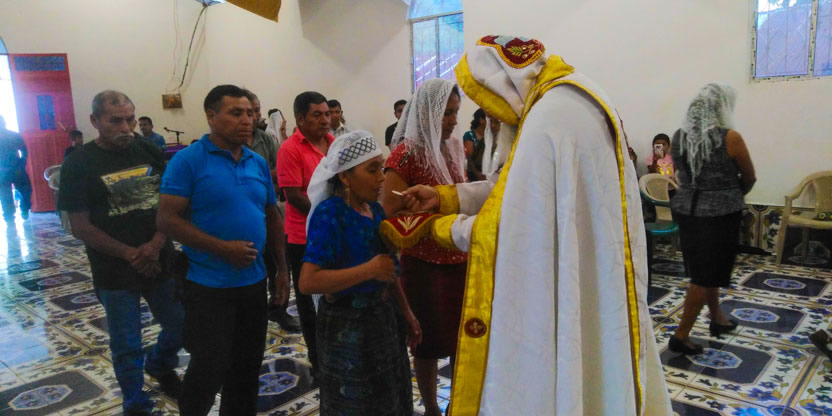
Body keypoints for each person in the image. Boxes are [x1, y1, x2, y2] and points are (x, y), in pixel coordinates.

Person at [397, 35, 672, 415]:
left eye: (489, 106)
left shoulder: (547, 119)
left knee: (555, 368)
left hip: (560, 267)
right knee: (594, 356)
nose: (493, 119)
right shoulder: (572, 97)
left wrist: (438, 228)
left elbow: (508, 228)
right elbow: (512, 187)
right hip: (593, 259)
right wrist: (446, 198)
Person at [157, 84, 289, 416]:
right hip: (208, 287)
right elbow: (167, 220)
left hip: (253, 284)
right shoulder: (188, 161)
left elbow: (272, 215)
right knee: (208, 368)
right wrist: (222, 249)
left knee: (246, 369)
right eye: (236, 113)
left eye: (250, 113)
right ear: (211, 116)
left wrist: (282, 270)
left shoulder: (257, 162)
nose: (247, 120)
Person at [58, 91, 183, 416]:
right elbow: (80, 225)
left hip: (160, 259)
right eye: (116, 121)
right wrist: (130, 254)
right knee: (127, 343)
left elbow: (170, 203)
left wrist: (155, 245)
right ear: (95, 121)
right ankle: (135, 404)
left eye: (130, 119)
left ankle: (159, 364)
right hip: (113, 269)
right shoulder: (78, 163)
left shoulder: (148, 150)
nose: (126, 128)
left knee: (181, 326)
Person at [299, 130, 420, 415]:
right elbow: (308, 281)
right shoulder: (331, 214)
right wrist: (368, 270)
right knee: (355, 404)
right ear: (345, 176)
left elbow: (387, 270)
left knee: (389, 398)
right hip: (347, 330)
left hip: (382, 322)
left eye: (382, 168)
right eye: (372, 170)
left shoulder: (374, 211)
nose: (382, 178)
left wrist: (406, 313)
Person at [381, 78, 467, 416]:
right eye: (446, 114)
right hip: (424, 262)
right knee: (427, 341)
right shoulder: (406, 154)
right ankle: (431, 407)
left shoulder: (455, 146)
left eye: (455, 112)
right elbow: (389, 211)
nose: (453, 121)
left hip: (459, 256)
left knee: (463, 336)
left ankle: (460, 402)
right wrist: (429, 216)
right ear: (427, 113)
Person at [667, 83, 756, 355]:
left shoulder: (679, 136)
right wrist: (732, 194)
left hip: (687, 210)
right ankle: (681, 335)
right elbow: (749, 176)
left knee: (706, 270)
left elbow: (682, 173)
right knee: (705, 275)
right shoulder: (730, 137)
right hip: (719, 215)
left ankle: (717, 318)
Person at [277, 91, 335, 374]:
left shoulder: (334, 144)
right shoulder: (290, 149)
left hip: (335, 233)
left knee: (334, 296)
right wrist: (327, 217)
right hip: (304, 237)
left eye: (327, 114)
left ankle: (336, 355)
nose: (325, 120)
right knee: (309, 303)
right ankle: (318, 362)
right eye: (317, 115)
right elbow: (293, 196)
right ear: (300, 118)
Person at [242, 89, 301, 332]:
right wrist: (266, 175)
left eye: (256, 111)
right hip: (243, 217)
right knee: (254, 267)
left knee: (279, 262)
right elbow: (269, 174)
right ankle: (253, 314)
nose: (254, 116)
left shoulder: (265, 140)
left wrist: (262, 176)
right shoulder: (231, 144)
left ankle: (279, 310)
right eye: (248, 111)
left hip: (269, 211)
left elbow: (280, 173)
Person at [0, 115, 31, 222]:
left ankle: (24, 208)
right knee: (5, 194)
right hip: (2, 171)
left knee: (26, 190)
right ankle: (9, 217)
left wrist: (22, 162)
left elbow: (24, 150)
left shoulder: (13, 135)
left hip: (17, 169)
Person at [463, 108, 487, 181]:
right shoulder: (469, 135)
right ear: (481, 120)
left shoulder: (489, 137)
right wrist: (478, 174)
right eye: (489, 119)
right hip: (473, 176)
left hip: (487, 174)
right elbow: (469, 158)